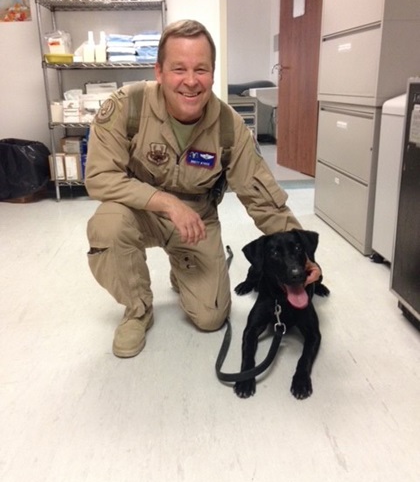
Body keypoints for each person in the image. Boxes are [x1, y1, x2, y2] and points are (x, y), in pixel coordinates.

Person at [85, 19, 321, 358]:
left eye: (202, 69)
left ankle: (182, 274)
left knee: (211, 317)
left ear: (213, 72)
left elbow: (263, 200)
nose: (191, 81)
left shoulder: (229, 126)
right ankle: (137, 310)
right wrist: (165, 202)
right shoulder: (127, 107)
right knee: (106, 225)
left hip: (197, 223)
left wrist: (306, 256)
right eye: (178, 69)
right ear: (159, 71)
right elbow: (100, 177)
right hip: (139, 213)